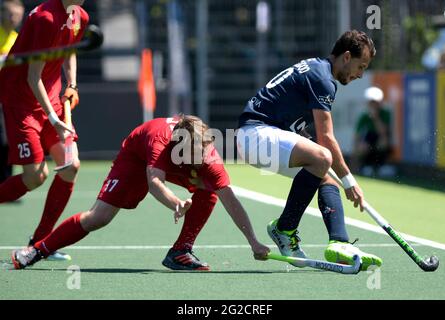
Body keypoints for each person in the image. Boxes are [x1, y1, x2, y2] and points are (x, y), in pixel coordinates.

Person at [11, 115, 270, 270]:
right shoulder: (159, 143)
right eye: (195, 153)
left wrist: (254, 242)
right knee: (99, 217)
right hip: (135, 158)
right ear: (177, 146)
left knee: (210, 191)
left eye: (203, 151)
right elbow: (154, 182)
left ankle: (181, 251)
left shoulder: (207, 157)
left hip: (171, 165)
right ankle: (37, 250)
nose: (201, 157)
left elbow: (231, 200)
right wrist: (176, 203)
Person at [236, 30, 382, 270]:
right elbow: (326, 139)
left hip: (260, 137)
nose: (360, 74)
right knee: (324, 157)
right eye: (361, 66)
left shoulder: (316, 69)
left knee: (326, 177)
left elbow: (302, 130)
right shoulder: (323, 79)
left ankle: (339, 242)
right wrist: (349, 180)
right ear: (347, 57)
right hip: (255, 134)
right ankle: (284, 228)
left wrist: (338, 177)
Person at [0, 0, 89, 261]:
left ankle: (40, 243)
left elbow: (70, 49)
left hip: (50, 98)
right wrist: (52, 117)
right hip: (22, 101)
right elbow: (32, 76)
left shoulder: (79, 16)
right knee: (35, 176)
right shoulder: (45, 19)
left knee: (71, 166)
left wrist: (72, 84)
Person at [0, 0, 24, 185]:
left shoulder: (18, 39)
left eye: (17, 15)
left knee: (7, 140)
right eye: (10, 14)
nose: (13, 18)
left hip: (8, 98)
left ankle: (6, 182)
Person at [353, 86, 394, 177]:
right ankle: (366, 166)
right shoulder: (364, 116)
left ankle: (380, 166)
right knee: (361, 147)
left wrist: (375, 118)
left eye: (375, 102)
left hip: (381, 137)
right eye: (371, 102)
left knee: (383, 142)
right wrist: (358, 148)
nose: (373, 105)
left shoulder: (385, 113)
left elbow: (383, 132)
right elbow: (357, 136)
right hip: (369, 138)